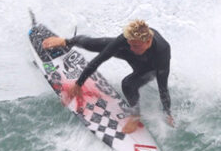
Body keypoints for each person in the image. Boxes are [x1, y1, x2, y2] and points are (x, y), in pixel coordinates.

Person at [42, 19, 174, 128]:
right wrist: (78, 84)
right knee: (91, 44)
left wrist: (167, 113)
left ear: (148, 41)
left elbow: (163, 87)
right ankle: (66, 41)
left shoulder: (162, 51)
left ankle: (135, 115)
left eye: (136, 46)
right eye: (130, 44)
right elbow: (100, 59)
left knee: (128, 84)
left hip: (148, 68)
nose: (132, 49)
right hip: (133, 54)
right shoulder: (127, 40)